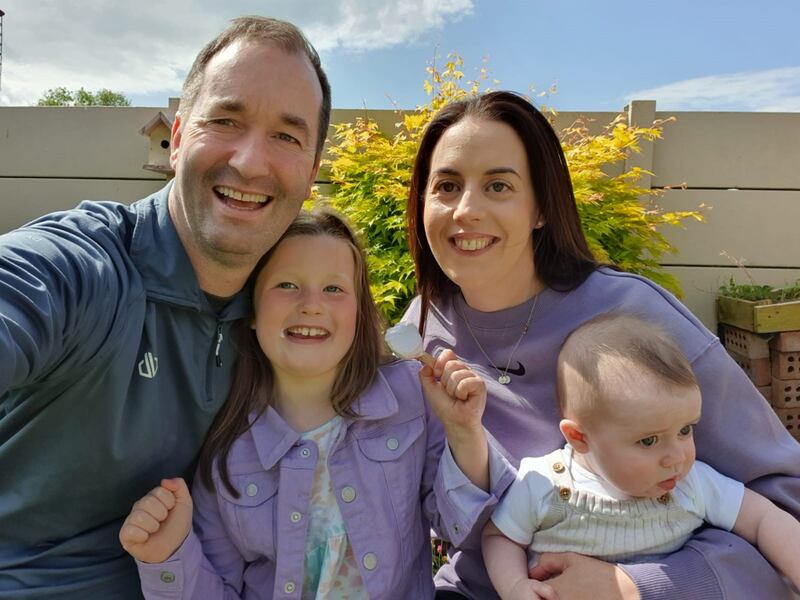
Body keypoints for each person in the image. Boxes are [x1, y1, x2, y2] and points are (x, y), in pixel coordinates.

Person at [402, 90, 800, 599]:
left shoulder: (637, 317)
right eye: (447, 186)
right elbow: (424, 512)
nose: (466, 210)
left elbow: (782, 502)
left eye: (498, 185)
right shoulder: (420, 333)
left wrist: (633, 587)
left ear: (541, 207)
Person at [0, 16, 331, 599]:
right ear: (177, 139)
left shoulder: (291, 311)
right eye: (225, 121)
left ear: (311, 173)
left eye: (286, 136)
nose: (251, 162)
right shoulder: (87, 269)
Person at [118, 210, 492, 599]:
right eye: (287, 285)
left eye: (333, 288)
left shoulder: (410, 398)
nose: (312, 305)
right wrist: (168, 555)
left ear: (359, 311)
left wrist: (465, 433)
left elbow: (465, 527)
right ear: (251, 310)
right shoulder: (227, 454)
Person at [482, 313, 800, 600]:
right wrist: (515, 587)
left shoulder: (692, 485)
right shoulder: (544, 483)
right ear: (580, 438)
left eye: (685, 430)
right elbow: (500, 537)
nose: (676, 457)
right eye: (649, 441)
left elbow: (763, 519)